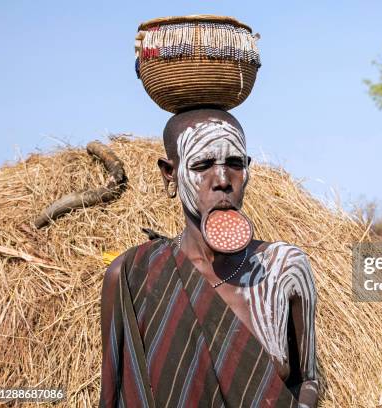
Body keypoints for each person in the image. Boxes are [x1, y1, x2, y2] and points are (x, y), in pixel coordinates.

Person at [99, 108, 319, 407]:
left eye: (235, 163)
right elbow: (112, 393)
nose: (223, 180)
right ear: (169, 172)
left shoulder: (284, 268)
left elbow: (307, 379)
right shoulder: (132, 275)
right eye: (202, 165)